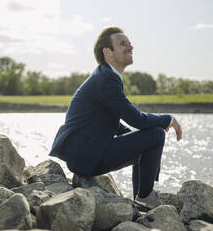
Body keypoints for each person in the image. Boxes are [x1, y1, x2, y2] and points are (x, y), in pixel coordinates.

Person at [49, 27, 182, 209]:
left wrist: (136, 140)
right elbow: (137, 119)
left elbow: (107, 119)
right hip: (87, 157)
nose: (130, 47)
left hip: (83, 155)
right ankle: (144, 197)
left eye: (129, 43)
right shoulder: (107, 79)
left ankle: (141, 199)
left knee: (146, 139)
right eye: (122, 44)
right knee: (156, 134)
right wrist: (168, 119)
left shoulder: (105, 75)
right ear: (107, 52)